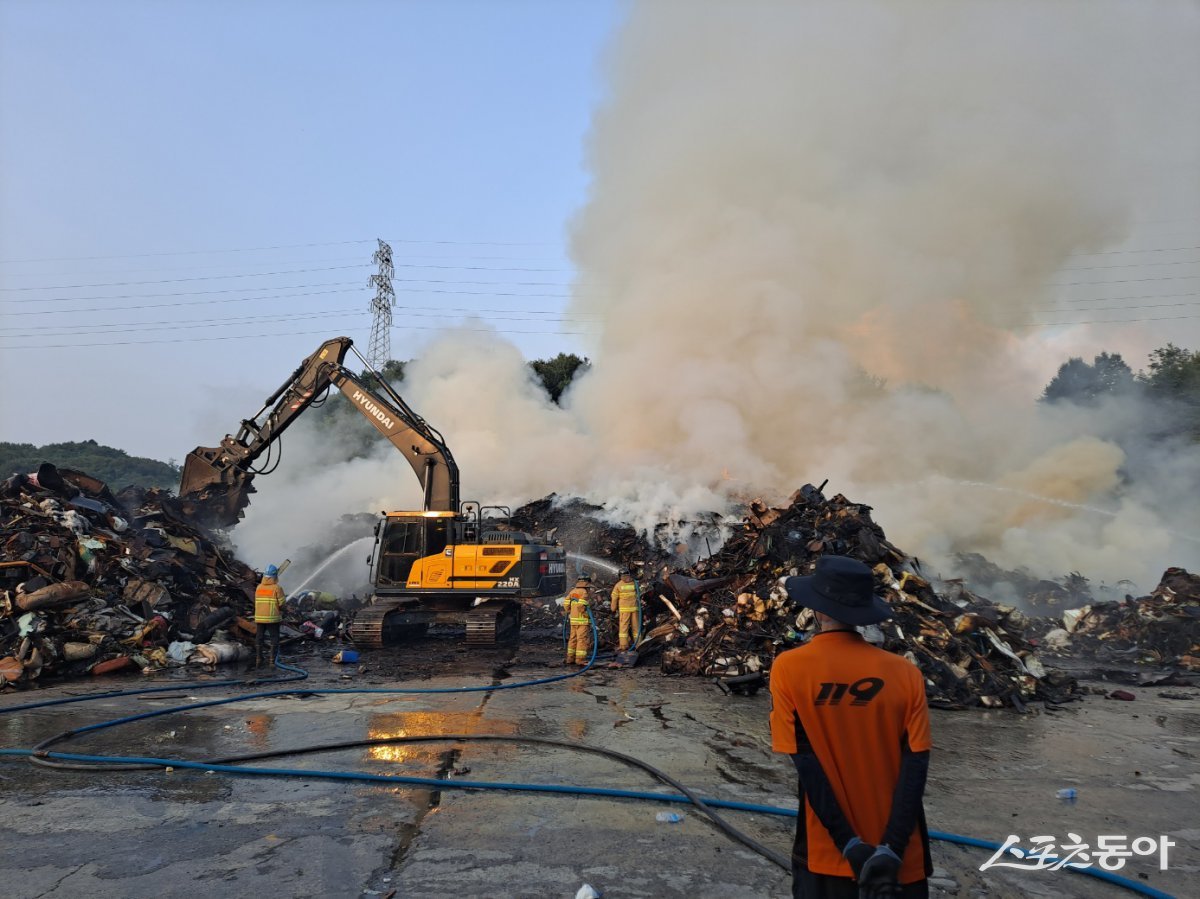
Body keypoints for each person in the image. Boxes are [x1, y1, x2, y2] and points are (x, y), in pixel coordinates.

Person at [768, 555, 932, 899]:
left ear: (819, 610)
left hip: (827, 853)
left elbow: (807, 765)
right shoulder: (906, 674)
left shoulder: (789, 669)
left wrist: (850, 845)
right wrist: (890, 850)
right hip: (901, 863)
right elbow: (915, 768)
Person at [253, 564, 286, 669]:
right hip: (272, 618)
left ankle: (258, 659)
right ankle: (272, 661)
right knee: (274, 638)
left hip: (259, 618)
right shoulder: (277, 588)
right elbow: (281, 603)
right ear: (274, 576)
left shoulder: (259, 587)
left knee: (259, 637)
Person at [563, 575, 593, 665]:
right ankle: (580, 660)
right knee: (581, 640)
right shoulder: (584, 592)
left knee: (572, 639)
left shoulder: (573, 591)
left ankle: (570, 658)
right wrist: (586, 615)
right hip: (582, 621)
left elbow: (566, 604)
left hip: (573, 620)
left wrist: (570, 611)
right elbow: (581, 606)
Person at [610, 568, 641, 651]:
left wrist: (613, 608)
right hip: (635, 609)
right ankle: (638, 644)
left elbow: (614, 598)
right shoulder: (634, 583)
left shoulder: (618, 585)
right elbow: (639, 594)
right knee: (636, 628)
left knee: (624, 628)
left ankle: (624, 646)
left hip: (624, 610)